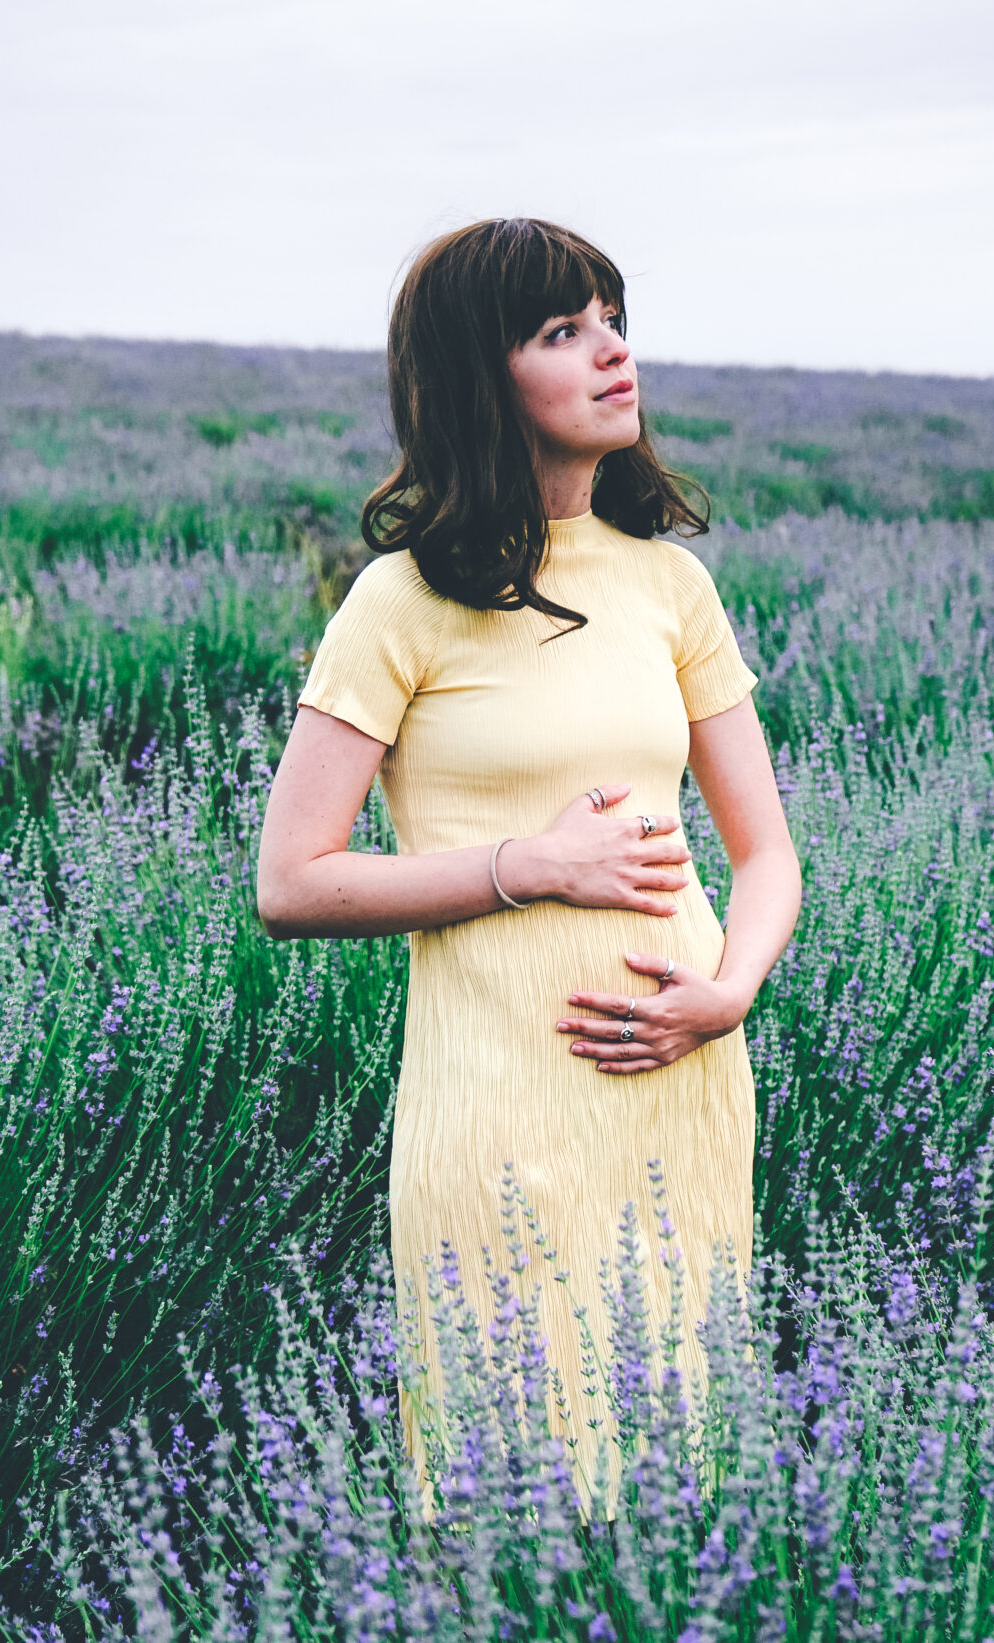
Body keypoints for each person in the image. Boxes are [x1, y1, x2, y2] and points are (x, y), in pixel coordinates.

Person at [254, 217, 801, 1488]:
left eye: (613, 320)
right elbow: (292, 882)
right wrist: (530, 866)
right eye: (563, 331)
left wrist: (729, 994)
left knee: (679, 1489)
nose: (612, 353)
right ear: (476, 378)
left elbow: (765, 856)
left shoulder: (669, 587)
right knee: (502, 1490)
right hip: (499, 1107)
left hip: (681, 1087)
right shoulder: (401, 601)